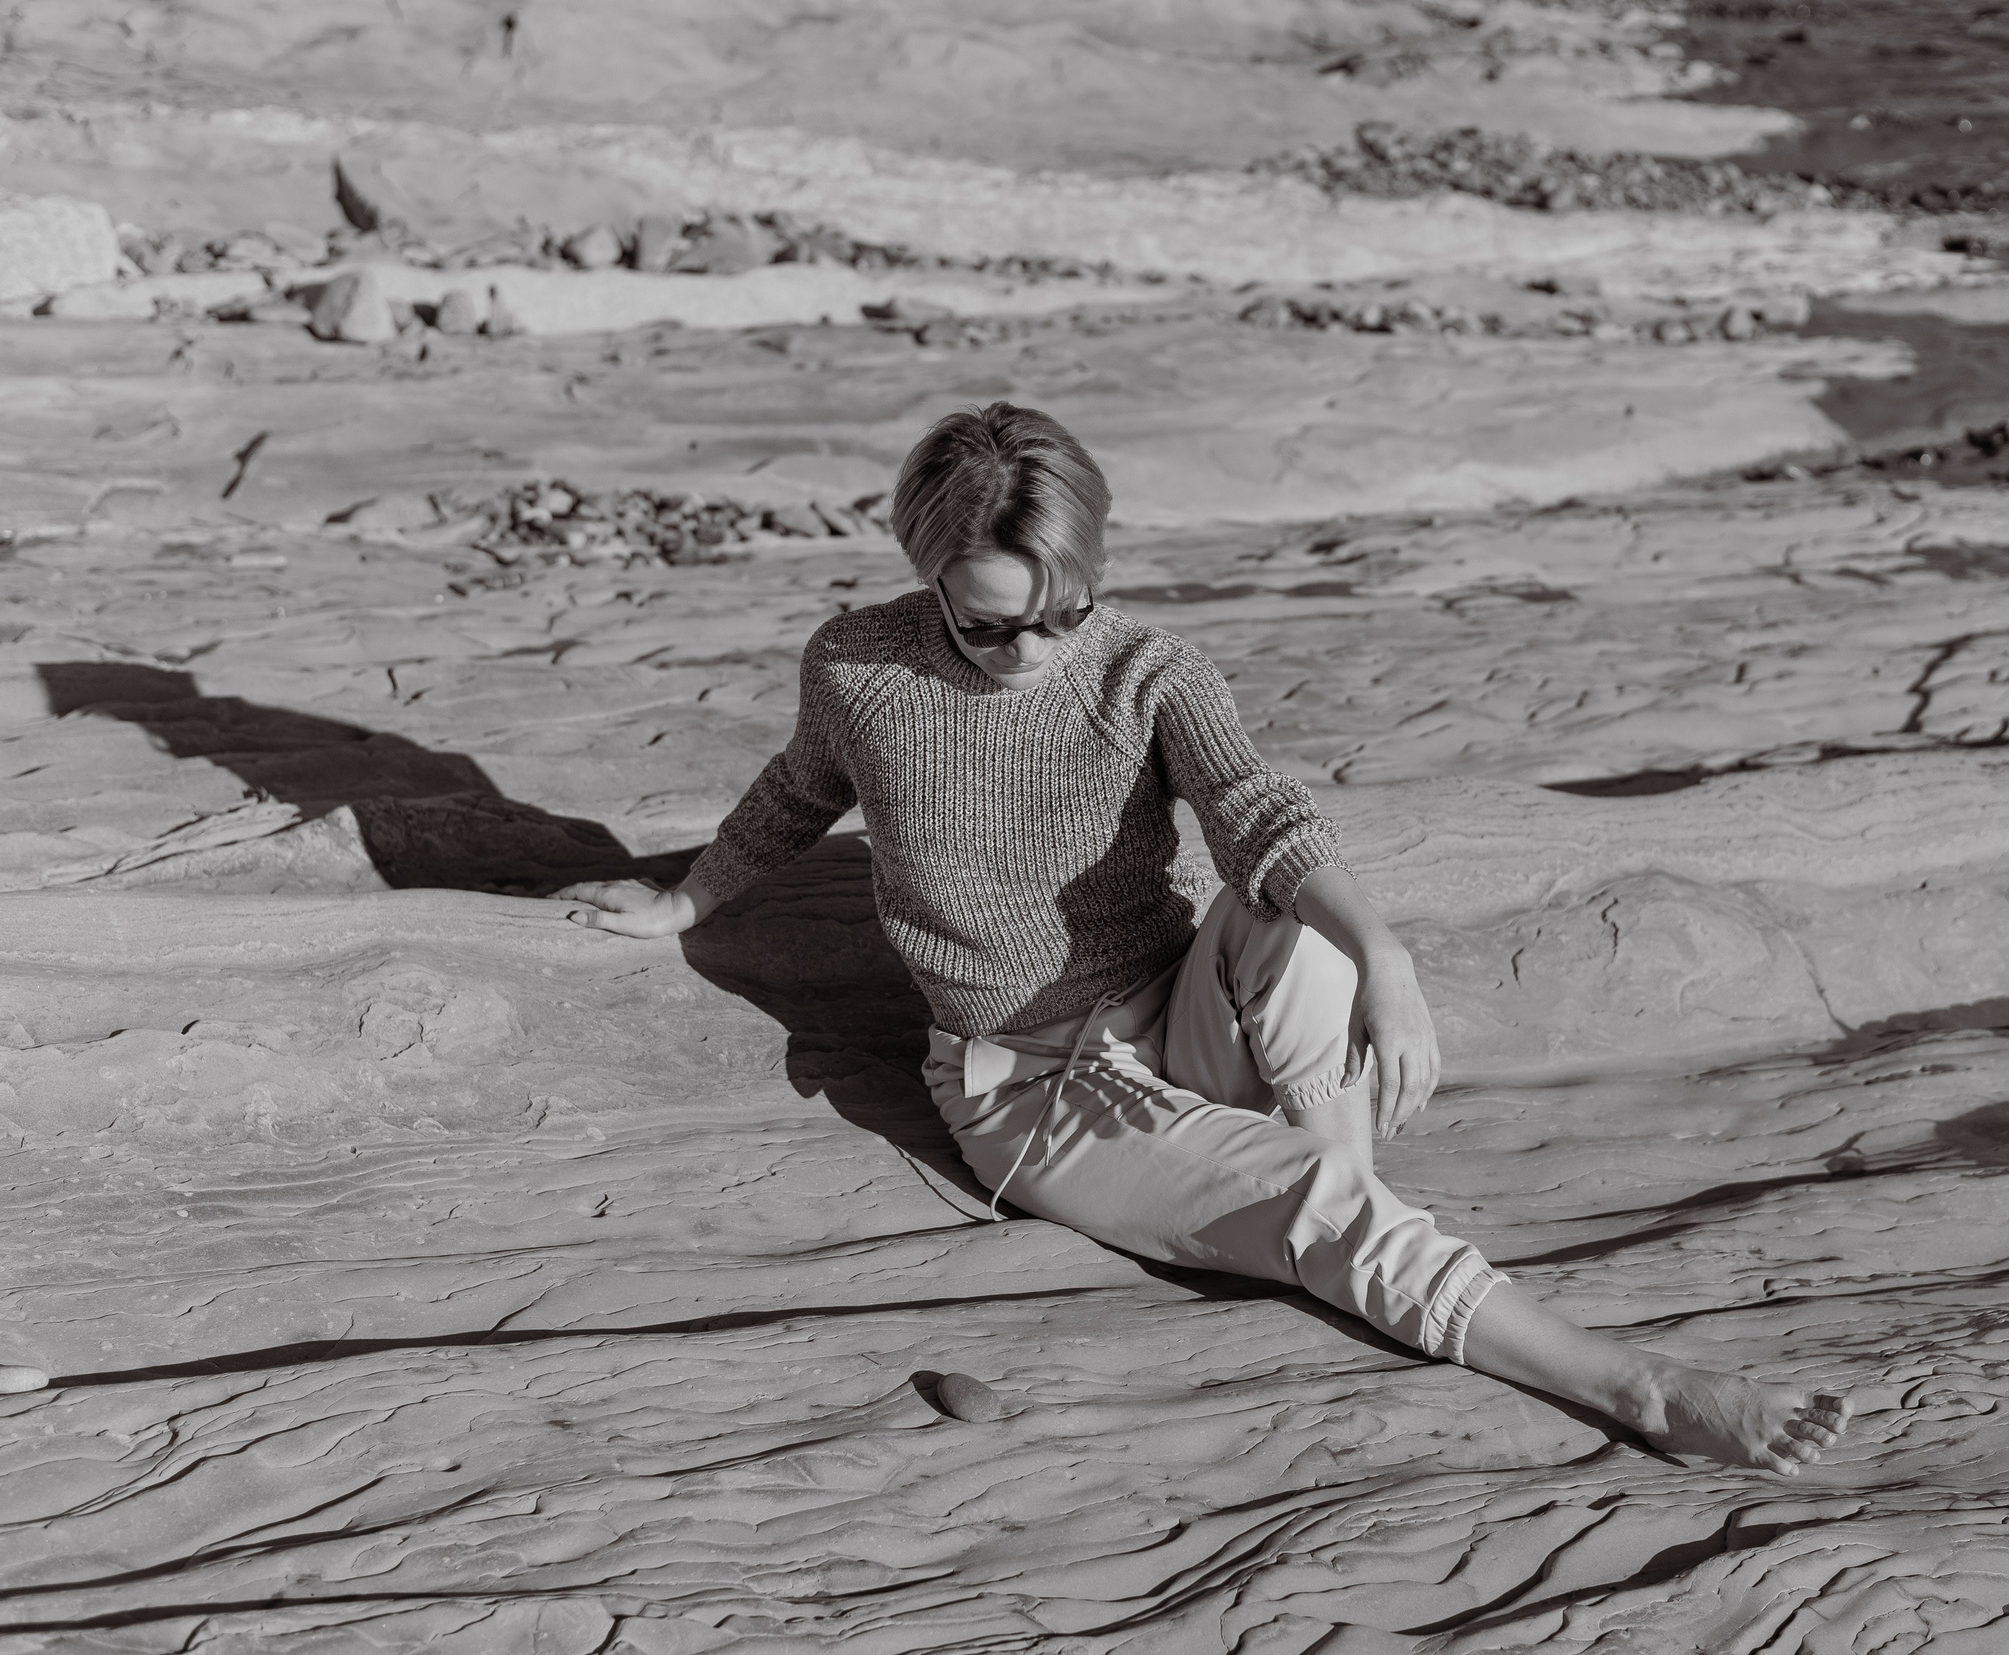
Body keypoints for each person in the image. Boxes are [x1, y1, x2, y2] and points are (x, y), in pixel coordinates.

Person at [559, 403, 1850, 1474]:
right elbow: (797, 793)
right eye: (988, 622)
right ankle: (1634, 1386)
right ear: (927, 575)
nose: (1030, 652)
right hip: (1034, 1090)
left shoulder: (1146, 669)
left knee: (1312, 943)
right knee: (1314, 1198)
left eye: (1059, 615)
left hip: (1181, 1004)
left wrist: (1388, 963)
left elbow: (1259, 817)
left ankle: (1345, 1227)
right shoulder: (856, 671)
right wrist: (684, 899)